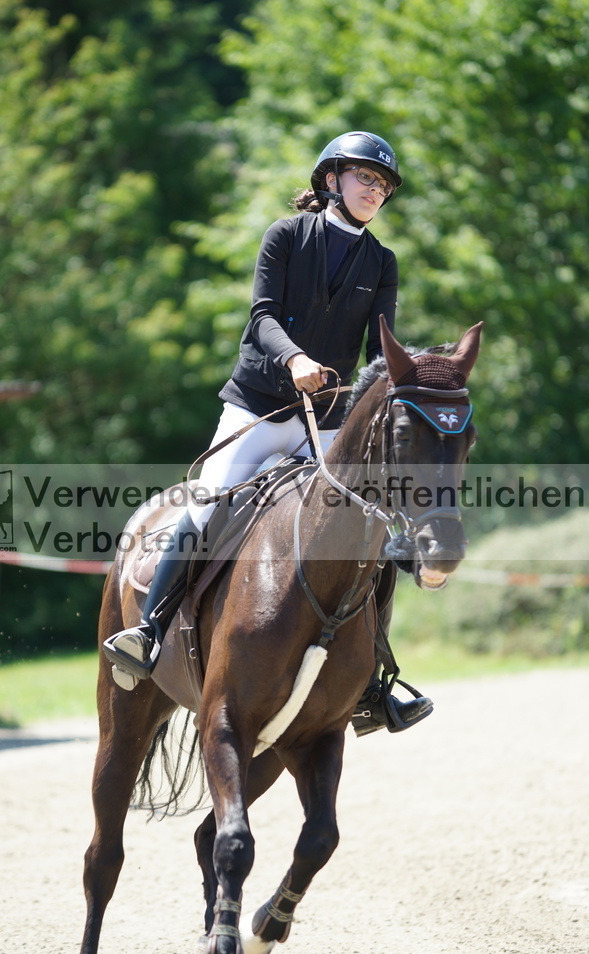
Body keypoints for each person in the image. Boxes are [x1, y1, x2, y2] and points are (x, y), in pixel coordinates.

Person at [104, 130, 433, 734]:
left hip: (326, 421)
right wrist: (294, 360)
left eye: (383, 186)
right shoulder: (285, 237)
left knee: (369, 529)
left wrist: (389, 388)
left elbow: (377, 348)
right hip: (259, 408)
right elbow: (260, 317)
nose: (375, 191)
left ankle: (376, 680)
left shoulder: (381, 262)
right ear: (332, 179)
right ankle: (148, 633)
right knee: (202, 509)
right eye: (366, 178)